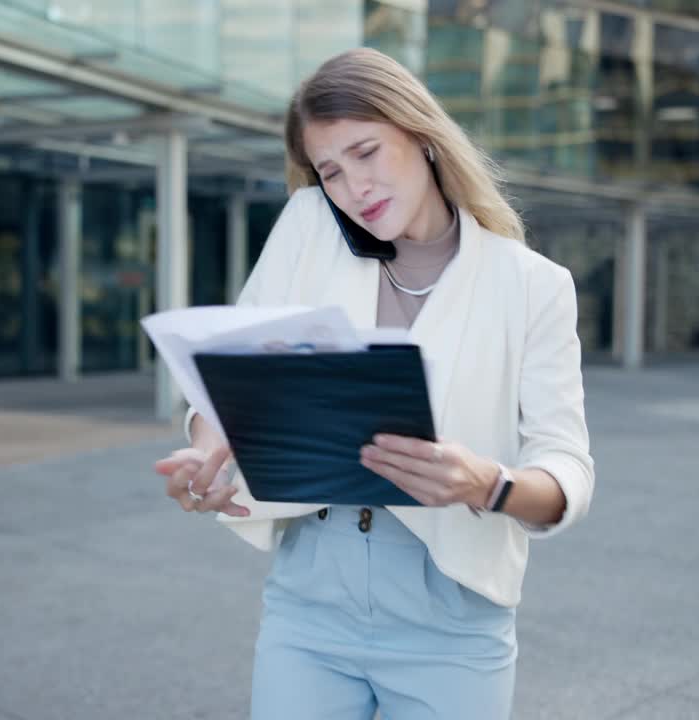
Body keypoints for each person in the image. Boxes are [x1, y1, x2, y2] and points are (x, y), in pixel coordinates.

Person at [153, 47, 594, 719]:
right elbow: (233, 372)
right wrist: (209, 451)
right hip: (310, 600)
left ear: (422, 136)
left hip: (451, 617)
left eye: (367, 152)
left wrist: (486, 484)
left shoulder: (533, 285)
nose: (353, 186)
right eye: (331, 170)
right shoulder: (308, 225)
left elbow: (566, 468)